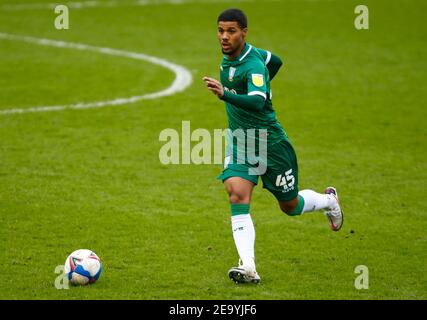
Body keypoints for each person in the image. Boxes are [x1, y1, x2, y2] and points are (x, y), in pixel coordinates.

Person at [203, 8, 343, 284]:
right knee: (236, 194)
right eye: (220, 30)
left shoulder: (253, 65)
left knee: (290, 206)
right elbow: (276, 61)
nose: (224, 36)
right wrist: (262, 83)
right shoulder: (241, 56)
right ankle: (249, 266)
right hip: (242, 142)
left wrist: (226, 94)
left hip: (271, 144)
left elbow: (256, 101)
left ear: (244, 32)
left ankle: (329, 201)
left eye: (231, 31)